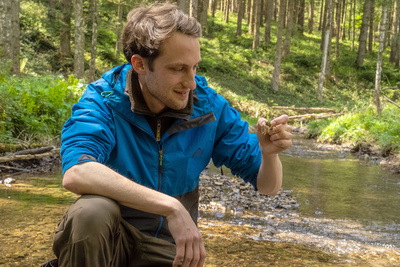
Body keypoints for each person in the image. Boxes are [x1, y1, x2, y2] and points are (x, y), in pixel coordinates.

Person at [50, 3, 292, 267]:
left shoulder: (209, 107)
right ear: (140, 64)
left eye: (195, 67)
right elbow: (77, 171)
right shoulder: (103, 100)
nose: (190, 82)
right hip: (111, 242)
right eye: (177, 69)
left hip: (169, 249)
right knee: (91, 213)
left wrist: (269, 155)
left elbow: (268, 187)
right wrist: (170, 206)